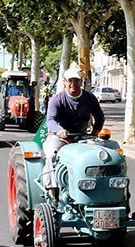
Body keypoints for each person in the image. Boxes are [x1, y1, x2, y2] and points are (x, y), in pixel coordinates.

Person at [43, 67, 105, 201]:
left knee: (103, 154)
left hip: (82, 137)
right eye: (70, 81)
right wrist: (59, 130)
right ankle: (53, 191)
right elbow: (51, 120)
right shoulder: (57, 100)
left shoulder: (90, 98)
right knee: (52, 153)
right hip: (59, 137)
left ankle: (100, 191)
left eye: (76, 80)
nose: (73, 84)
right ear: (64, 82)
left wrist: (94, 134)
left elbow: (99, 117)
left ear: (81, 82)